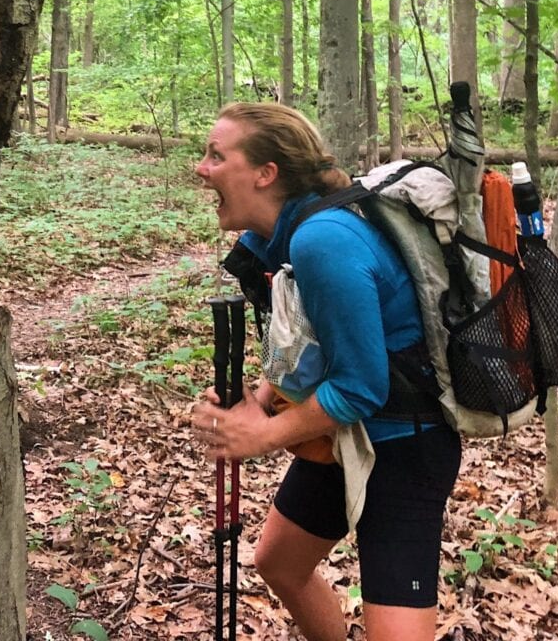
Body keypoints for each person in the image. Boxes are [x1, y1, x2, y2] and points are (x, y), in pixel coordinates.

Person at [191, 102, 461, 641]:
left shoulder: (323, 239)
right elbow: (311, 344)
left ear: (266, 173)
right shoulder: (276, 239)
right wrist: (261, 399)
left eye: (216, 155)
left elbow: (361, 386)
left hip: (405, 445)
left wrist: (262, 434)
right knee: (280, 564)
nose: (202, 167)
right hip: (342, 438)